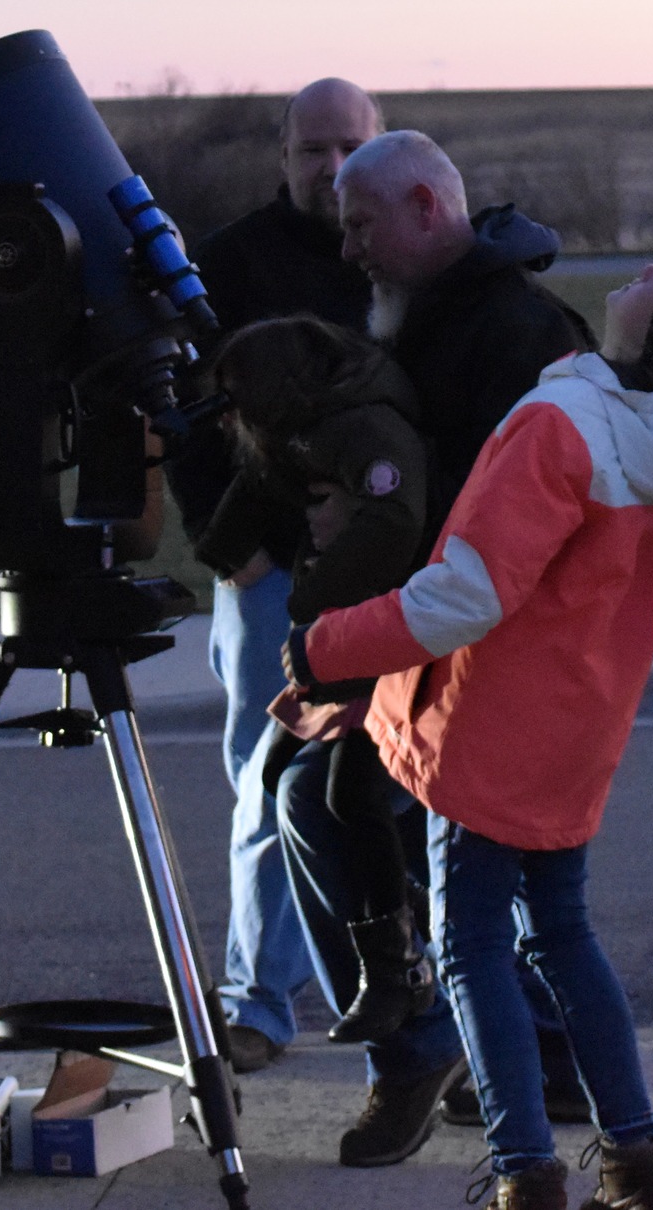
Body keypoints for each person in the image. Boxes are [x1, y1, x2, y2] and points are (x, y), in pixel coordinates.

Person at [283, 255, 653, 1209]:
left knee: (472, 955)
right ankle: (633, 1161)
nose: (643, 273)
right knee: (561, 937)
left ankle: (524, 1172)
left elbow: (466, 594)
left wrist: (325, 646)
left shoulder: (567, 428)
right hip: (569, 745)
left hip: (487, 745)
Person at [275, 129, 598, 1168]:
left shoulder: (512, 335)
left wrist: (352, 664)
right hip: (447, 646)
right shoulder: (446, 318)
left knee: (319, 807)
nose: (350, 249)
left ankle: (414, 1049)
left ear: (424, 207)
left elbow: (468, 543)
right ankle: (541, 1058)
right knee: (474, 870)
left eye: (361, 224)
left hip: (489, 660)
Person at [166, 77, 380, 1074]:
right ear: (282, 155)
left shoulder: (395, 254)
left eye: (349, 147)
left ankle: (409, 989)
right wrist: (231, 544)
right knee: (264, 779)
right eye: (311, 149)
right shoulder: (232, 263)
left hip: (384, 575)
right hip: (267, 577)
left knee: (394, 789)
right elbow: (179, 407)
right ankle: (255, 1000)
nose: (330, 167)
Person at [200, 315, 436, 1045]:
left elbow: (395, 523)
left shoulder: (365, 432)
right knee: (274, 777)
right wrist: (220, 550)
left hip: (380, 648)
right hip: (346, 648)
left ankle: (396, 963)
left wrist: (313, 606)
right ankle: (396, 947)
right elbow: (256, 486)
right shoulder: (313, 433)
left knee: (349, 792)